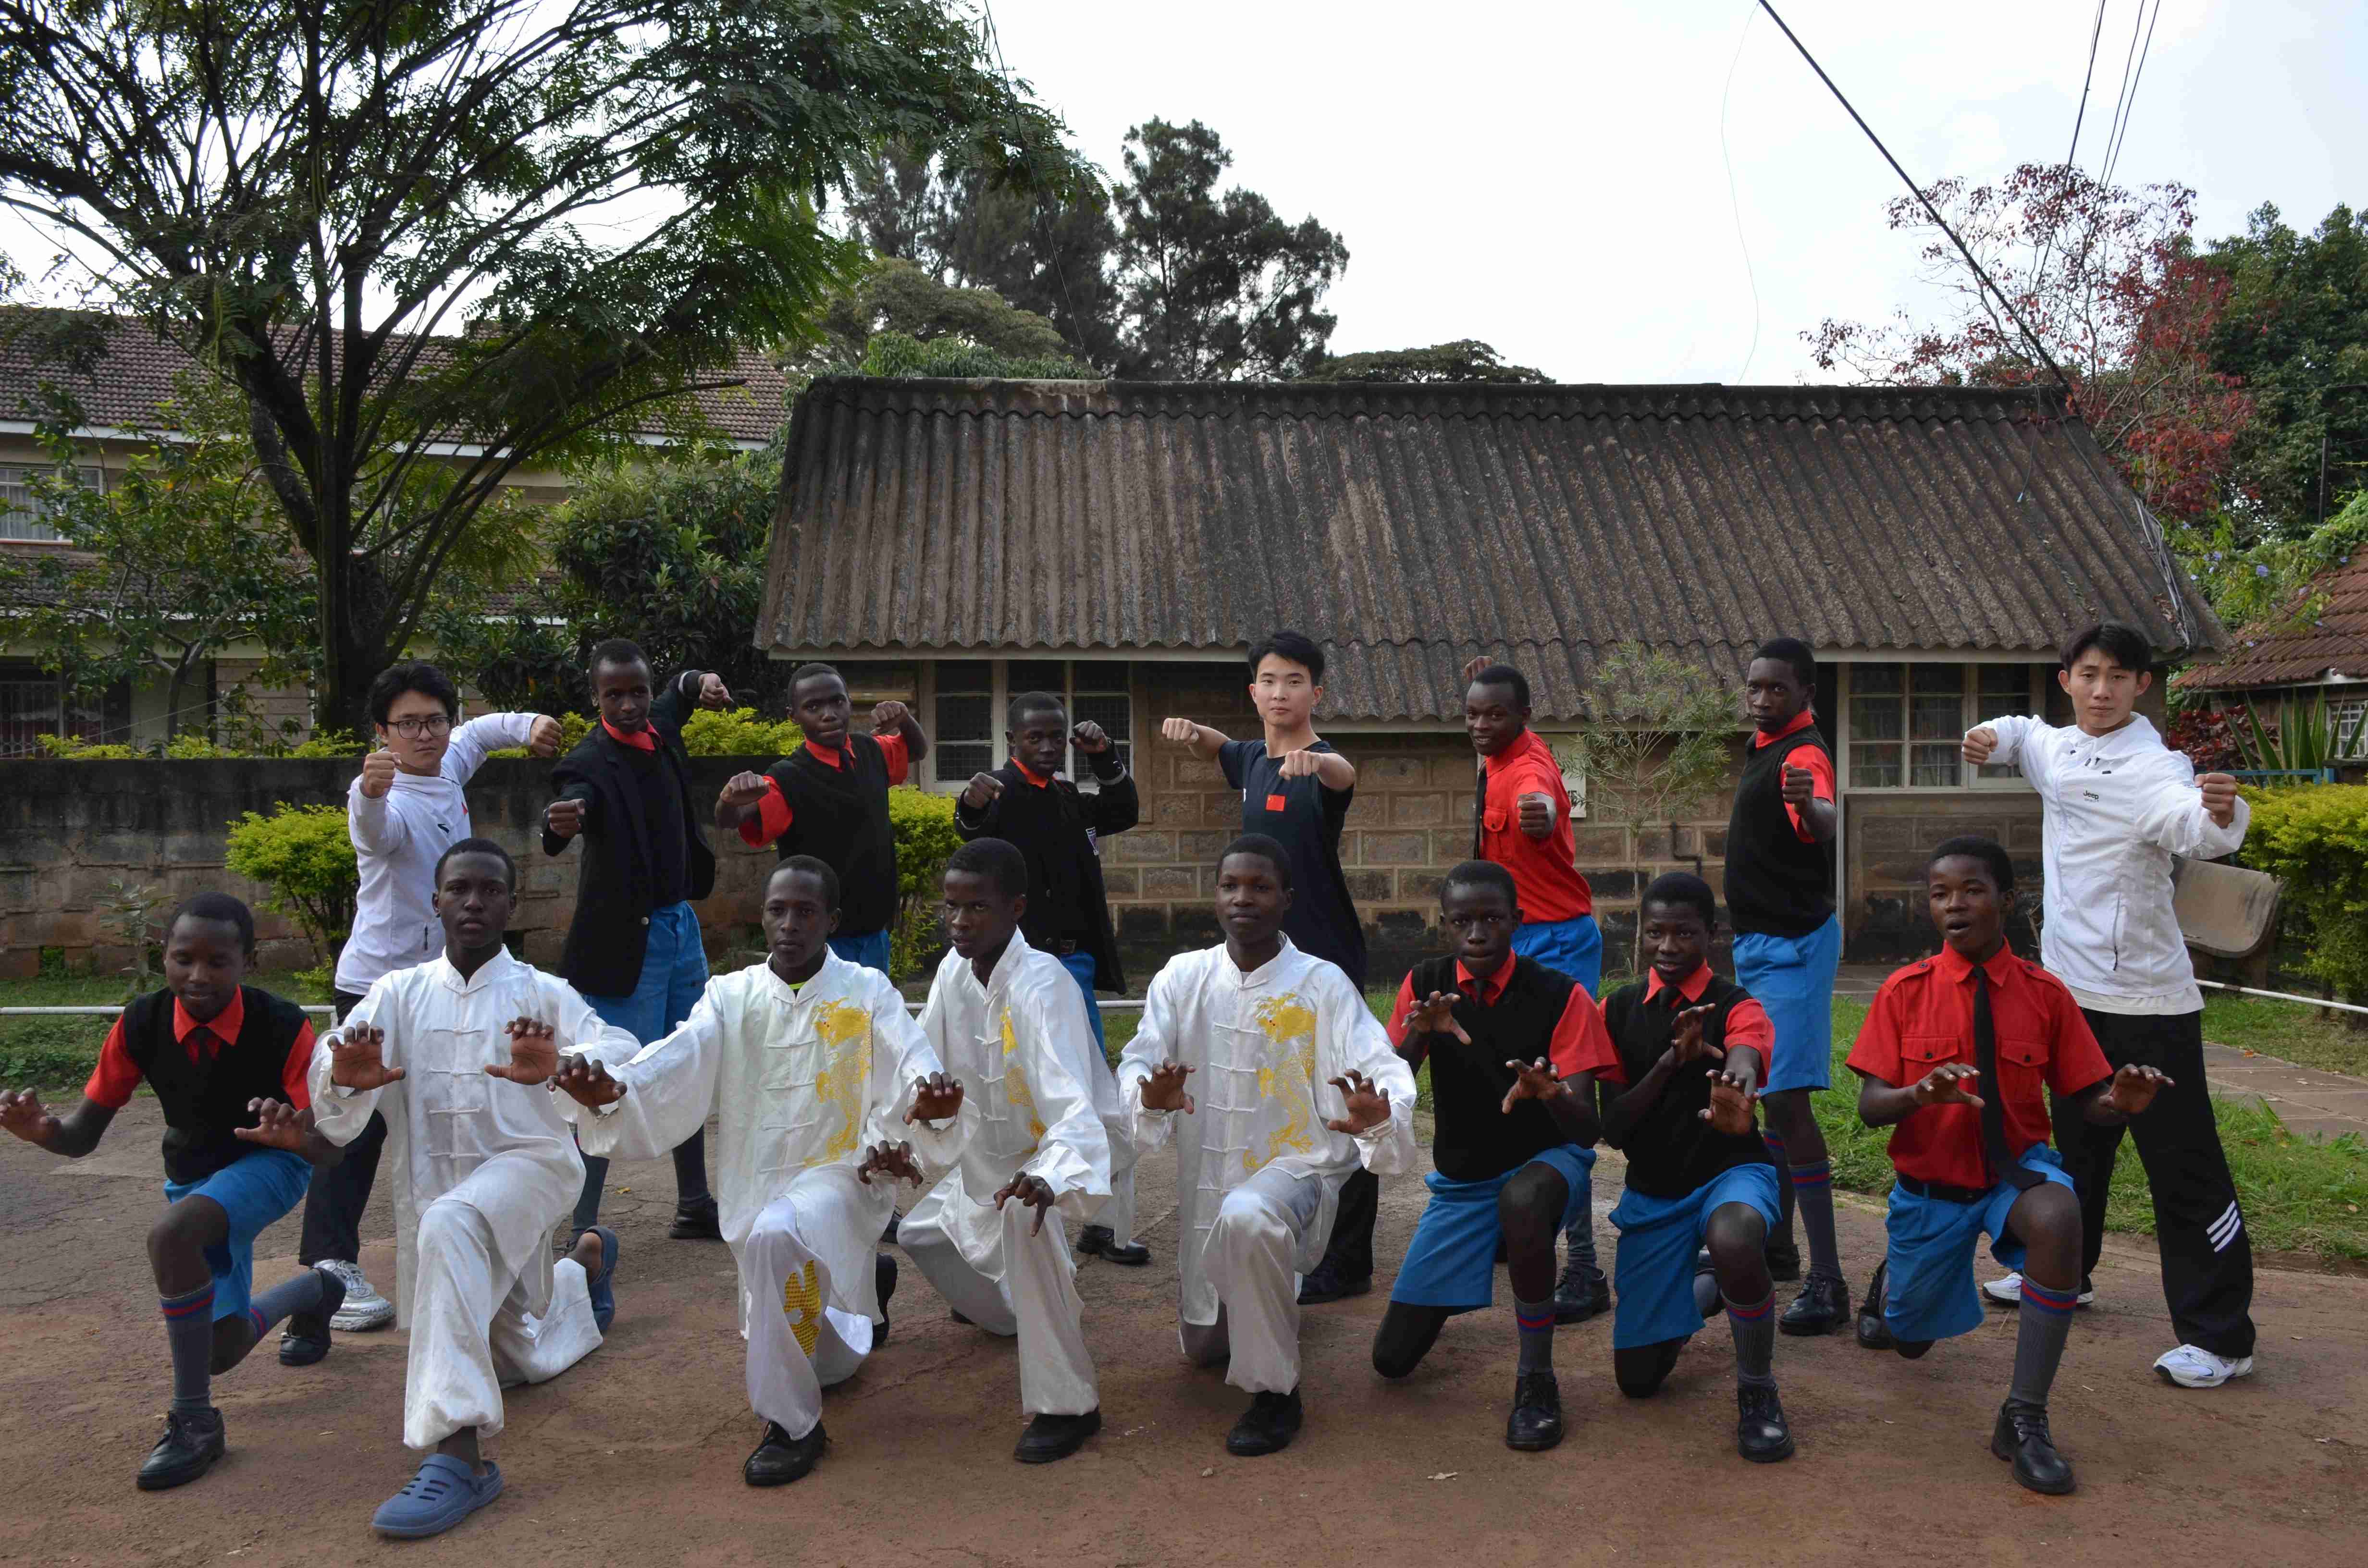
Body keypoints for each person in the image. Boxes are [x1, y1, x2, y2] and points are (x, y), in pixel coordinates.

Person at [554, 857, 966, 1487]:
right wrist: (616, 1087)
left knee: (781, 1235)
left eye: (806, 912)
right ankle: (864, 1304)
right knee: (823, 1351)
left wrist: (924, 1107)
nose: (790, 924)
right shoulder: (731, 995)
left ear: (831, 919)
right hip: (759, 1192)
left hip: (844, 1180)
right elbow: (676, 1060)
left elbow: (914, 1062)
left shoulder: (865, 989)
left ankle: (794, 1427)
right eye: (778, 910)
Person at [1963, 621, 2256, 1388]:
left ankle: (2221, 1336)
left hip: (2146, 1005)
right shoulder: (2058, 746)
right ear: (2067, 679)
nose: (2101, 691)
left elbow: (2191, 824)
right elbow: (2026, 736)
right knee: (2075, 1149)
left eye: (2118, 678)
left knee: (2181, 1165)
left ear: (2142, 686)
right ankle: (2065, 1272)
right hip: (2067, 992)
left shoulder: (2154, 769)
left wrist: (2221, 815)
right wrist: (1990, 737)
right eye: (2088, 675)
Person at [312, 840, 631, 1537]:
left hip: (534, 1168)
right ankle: (584, 1270)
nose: (474, 902)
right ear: (436, 901)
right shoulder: (398, 993)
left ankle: (459, 1456)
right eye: (459, 889)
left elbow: (618, 1048)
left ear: (511, 906)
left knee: (453, 1224)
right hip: (434, 1196)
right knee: (518, 1356)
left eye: (490, 891)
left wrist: (566, 1065)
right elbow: (333, 1066)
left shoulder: (542, 994)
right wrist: (342, 1076)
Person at [1846, 837, 2171, 1495]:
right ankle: (1892, 1288)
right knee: (1909, 1337)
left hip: (2014, 1174)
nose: (1955, 905)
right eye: (1941, 895)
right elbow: (1870, 1108)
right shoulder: (1903, 992)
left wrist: (2122, 1103)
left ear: (2006, 899)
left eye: (1972, 890)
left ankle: (2024, 1417)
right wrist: (1919, 1094)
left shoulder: (2046, 996)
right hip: (1932, 1186)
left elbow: (2089, 1103)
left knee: (2059, 1215)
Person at [0, 894, 344, 1491]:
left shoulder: (285, 1024)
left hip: (272, 1164)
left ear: (248, 960)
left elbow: (331, 1151)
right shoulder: (142, 1022)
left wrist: (296, 1136)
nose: (199, 976)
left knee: (172, 1236)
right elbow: (82, 1137)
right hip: (194, 1177)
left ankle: (195, 1423)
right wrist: (43, 1132)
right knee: (216, 1351)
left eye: (218, 961)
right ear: (164, 957)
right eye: (184, 959)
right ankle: (317, 1289)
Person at [286, 660, 562, 1365]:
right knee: (358, 1126)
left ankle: (470, 1243)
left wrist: (529, 726)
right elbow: (374, 832)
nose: (425, 734)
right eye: (407, 724)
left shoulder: (451, 756)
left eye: (433, 720)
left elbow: (485, 732)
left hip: (444, 980)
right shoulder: (385, 793)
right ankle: (327, 1271)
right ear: (382, 733)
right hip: (380, 988)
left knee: (458, 1109)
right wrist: (368, 795)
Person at [1117, 835, 1418, 1458]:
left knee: (1250, 1216)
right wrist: (1150, 1097)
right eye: (1230, 885)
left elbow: (1379, 1068)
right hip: (1207, 1190)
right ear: (1216, 896)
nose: (1242, 898)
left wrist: (1380, 1112)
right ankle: (1266, 1298)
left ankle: (1276, 1395)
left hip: (1297, 1173)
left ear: (1286, 899)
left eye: (1259, 887)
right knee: (1203, 1350)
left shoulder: (1321, 984)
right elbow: (1138, 1060)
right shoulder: (1183, 978)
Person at [1368, 862, 1616, 1454]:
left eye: (1490, 919)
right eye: (1462, 921)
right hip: (1463, 1181)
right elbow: (1389, 1094)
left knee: (1523, 1203)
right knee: (1391, 1360)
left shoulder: (1561, 996)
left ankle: (1535, 1378)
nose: (1476, 933)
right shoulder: (1422, 984)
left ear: (1517, 921)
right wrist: (1418, 1037)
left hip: (1546, 1162)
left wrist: (1551, 1093)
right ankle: (1465, 1267)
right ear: (1445, 925)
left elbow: (1589, 1128)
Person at [1160, 631, 1375, 1305]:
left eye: (1295, 682)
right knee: (1276, 1098)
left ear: (1317, 692)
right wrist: (1194, 731)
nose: (1281, 693)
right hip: (1266, 964)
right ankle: (1282, 1230)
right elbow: (1220, 750)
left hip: (1324, 959)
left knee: (1341, 1099)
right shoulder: (1251, 758)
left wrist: (1323, 767)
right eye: (1270, 682)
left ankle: (1349, 1260)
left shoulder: (1323, 764)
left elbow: (1346, 775)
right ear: (1254, 692)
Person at [899, 838, 1121, 1463]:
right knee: (920, 1237)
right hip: (983, 1165)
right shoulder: (952, 970)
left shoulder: (1043, 985)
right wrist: (912, 1117)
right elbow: (921, 1058)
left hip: (1060, 1159)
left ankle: (1068, 1406)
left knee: (1027, 1221)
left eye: (978, 909)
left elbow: (1073, 1103)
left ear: (1016, 908)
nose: (961, 922)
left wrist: (1049, 1175)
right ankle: (1008, 1316)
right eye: (952, 908)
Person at [1590, 873, 1795, 1462]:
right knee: (1637, 1380)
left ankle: (1757, 1391)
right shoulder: (1618, 1009)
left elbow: (1747, 1052)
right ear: (1641, 934)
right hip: (1654, 1190)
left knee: (1732, 1237)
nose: (1669, 946)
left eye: (1685, 932)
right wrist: (1663, 1066)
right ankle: (1713, 1290)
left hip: (1729, 1173)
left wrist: (1737, 1089)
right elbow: (1614, 1128)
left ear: (1713, 934)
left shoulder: (1737, 1004)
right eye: (1655, 932)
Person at [543, 638, 732, 1240]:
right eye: (613, 695)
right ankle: (582, 1222)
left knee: (688, 1062)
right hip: (627, 941)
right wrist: (561, 820)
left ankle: (694, 1202)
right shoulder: (587, 763)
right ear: (595, 697)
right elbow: (573, 804)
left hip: (681, 927)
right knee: (602, 1076)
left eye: (637, 692)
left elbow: (681, 692)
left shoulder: (660, 729)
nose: (627, 705)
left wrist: (699, 676)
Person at [951, 688, 1147, 1264]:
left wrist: (1105, 758)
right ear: (1011, 741)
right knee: (1022, 1092)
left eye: (1054, 738)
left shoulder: (1066, 796)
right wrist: (969, 801)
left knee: (1093, 1088)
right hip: (1022, 971)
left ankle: (1106, 1224)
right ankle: (1010, 1220)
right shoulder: (999, 793)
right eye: (1033, 738)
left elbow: (1122, 810)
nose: (1045, 747)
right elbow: (969, 831)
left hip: (1073, 965)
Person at [1458, 656, 1608, 1323]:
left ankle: (1584, 1265)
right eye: (1473, 714)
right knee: (1507, 1079)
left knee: (1562, 1090)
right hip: (1514, 937)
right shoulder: (1502, 752)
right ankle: (1520, 1220)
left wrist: (1543, 815)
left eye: (1495, 714)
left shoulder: (1528, 772)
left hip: (1556, 943)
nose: (1482, 725)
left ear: (1524, 718)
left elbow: (1543, 800)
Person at [1721, 637, 1850, 1335]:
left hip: (1794, 950)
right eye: (1755, 688)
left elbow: (1820, 818)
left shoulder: (1805, 756)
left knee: (1791, 1106)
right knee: (1773, 1098)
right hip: (1759, 946)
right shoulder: (1764, 744)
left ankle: (1830, 1283)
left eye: (1776, 689)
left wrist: (1810, 809)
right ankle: (1778, 1246)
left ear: (1805, 694)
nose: (1763, 699)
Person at [715, 662, 929, 976]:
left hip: (874, 934)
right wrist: (727, 801)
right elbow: (732, 818)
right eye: (813, 707)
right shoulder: (787, 778)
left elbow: (916, 750)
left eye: (836, 702)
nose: (828, 714)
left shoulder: (871, 751)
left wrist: (905, 719)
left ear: (849, 703)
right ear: (794, 716)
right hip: (822, 943)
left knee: (867, 1020)